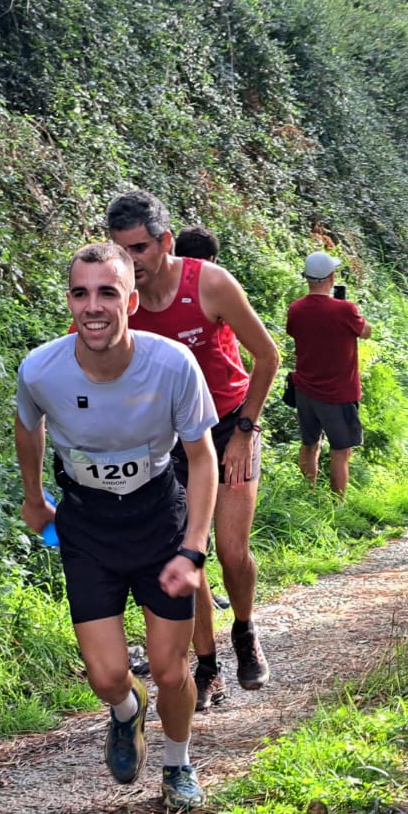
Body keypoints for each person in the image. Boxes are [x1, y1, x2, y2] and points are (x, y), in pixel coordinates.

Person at [15, 242, 219, 810]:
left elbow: (202, 458)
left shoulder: (173, 364)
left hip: (159, 524)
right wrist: (35, 497)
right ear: (69, 302)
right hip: (88, 527)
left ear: (131, 299)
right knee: (107, 678)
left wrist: (194, 548)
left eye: (107, 292)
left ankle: (178, 766)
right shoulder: (41, 370)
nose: (93, 306)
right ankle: (127, 715)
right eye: (81, 293)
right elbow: (27, 426)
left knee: (169, 670)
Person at [106, 191, 281, 711]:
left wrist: (247, 431)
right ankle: (207, 665)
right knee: (190, 558)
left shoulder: (209, 283)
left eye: (137, 249)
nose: (128, 262)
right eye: (119, 250)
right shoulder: (117, 297)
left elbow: (268, 357)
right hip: (164, 442)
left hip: (229, 428)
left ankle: (245, 631)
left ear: (164, 242)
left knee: (229, 550)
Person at [285, 251, 373, 495]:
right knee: (341, 450)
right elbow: (365, 332)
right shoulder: (345, 310)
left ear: (307, 278)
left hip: (305, 389)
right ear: (332, 277)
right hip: (339, 393)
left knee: (309, 444)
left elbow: (294, 332)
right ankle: (337, 504)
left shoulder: (296, 309)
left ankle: (309, 494)